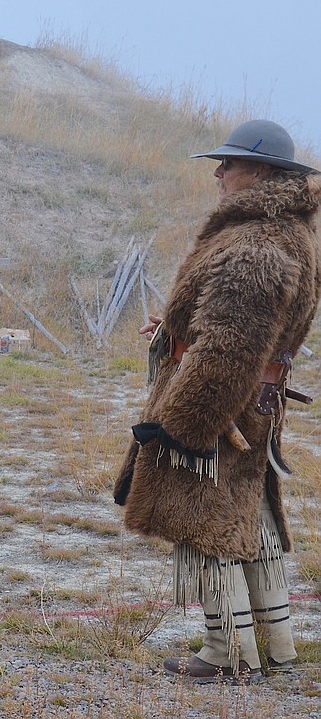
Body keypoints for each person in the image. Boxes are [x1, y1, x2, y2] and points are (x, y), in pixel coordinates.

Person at [114, 119, 321, 685]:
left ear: (260, 172)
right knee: (249, 519)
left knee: (204, 520)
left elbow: (231, 348)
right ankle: (274, 646)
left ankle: (226, 652)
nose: (219, 172)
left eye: (229, 163)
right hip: (252, 402)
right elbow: (240, 331)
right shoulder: (287, 234)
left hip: (220, 405)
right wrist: (175, 329)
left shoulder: (256, 243)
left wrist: (183, 426)